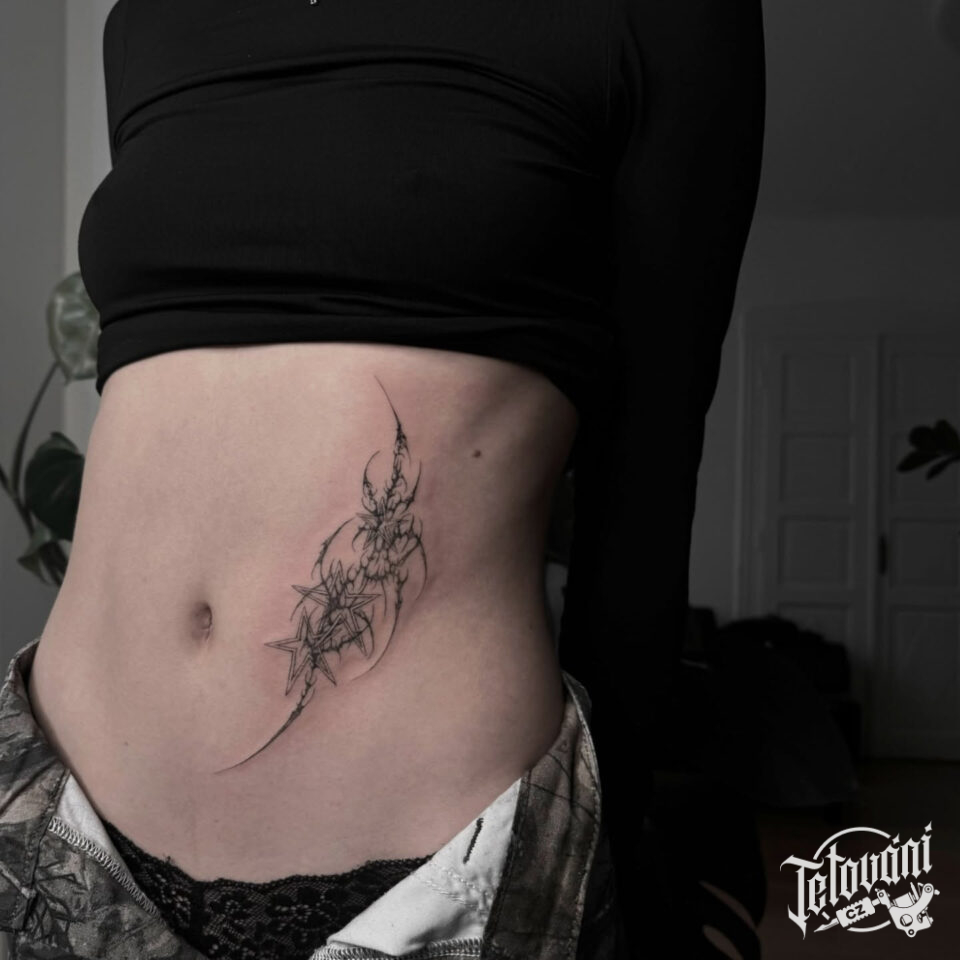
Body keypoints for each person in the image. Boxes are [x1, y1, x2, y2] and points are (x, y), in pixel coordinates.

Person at [0, 0, 765, 957]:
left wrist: (613, 844)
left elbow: (646, 494)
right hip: (58, 831)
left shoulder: (659, 17)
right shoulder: (149, 21)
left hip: (435, 870)